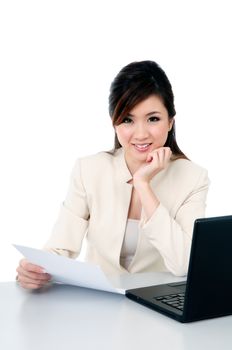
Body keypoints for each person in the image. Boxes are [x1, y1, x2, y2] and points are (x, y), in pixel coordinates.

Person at [16, 60, 209, 289]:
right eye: (127, 120)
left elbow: (184, 264)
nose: (140, 133)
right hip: (99, 303)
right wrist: (34, 269)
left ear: (170, 122)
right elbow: (60, 249)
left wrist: (143, 184)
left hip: (156, 304)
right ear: (115, 124)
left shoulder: (193, 178)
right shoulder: (88, 170)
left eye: (153, 119)